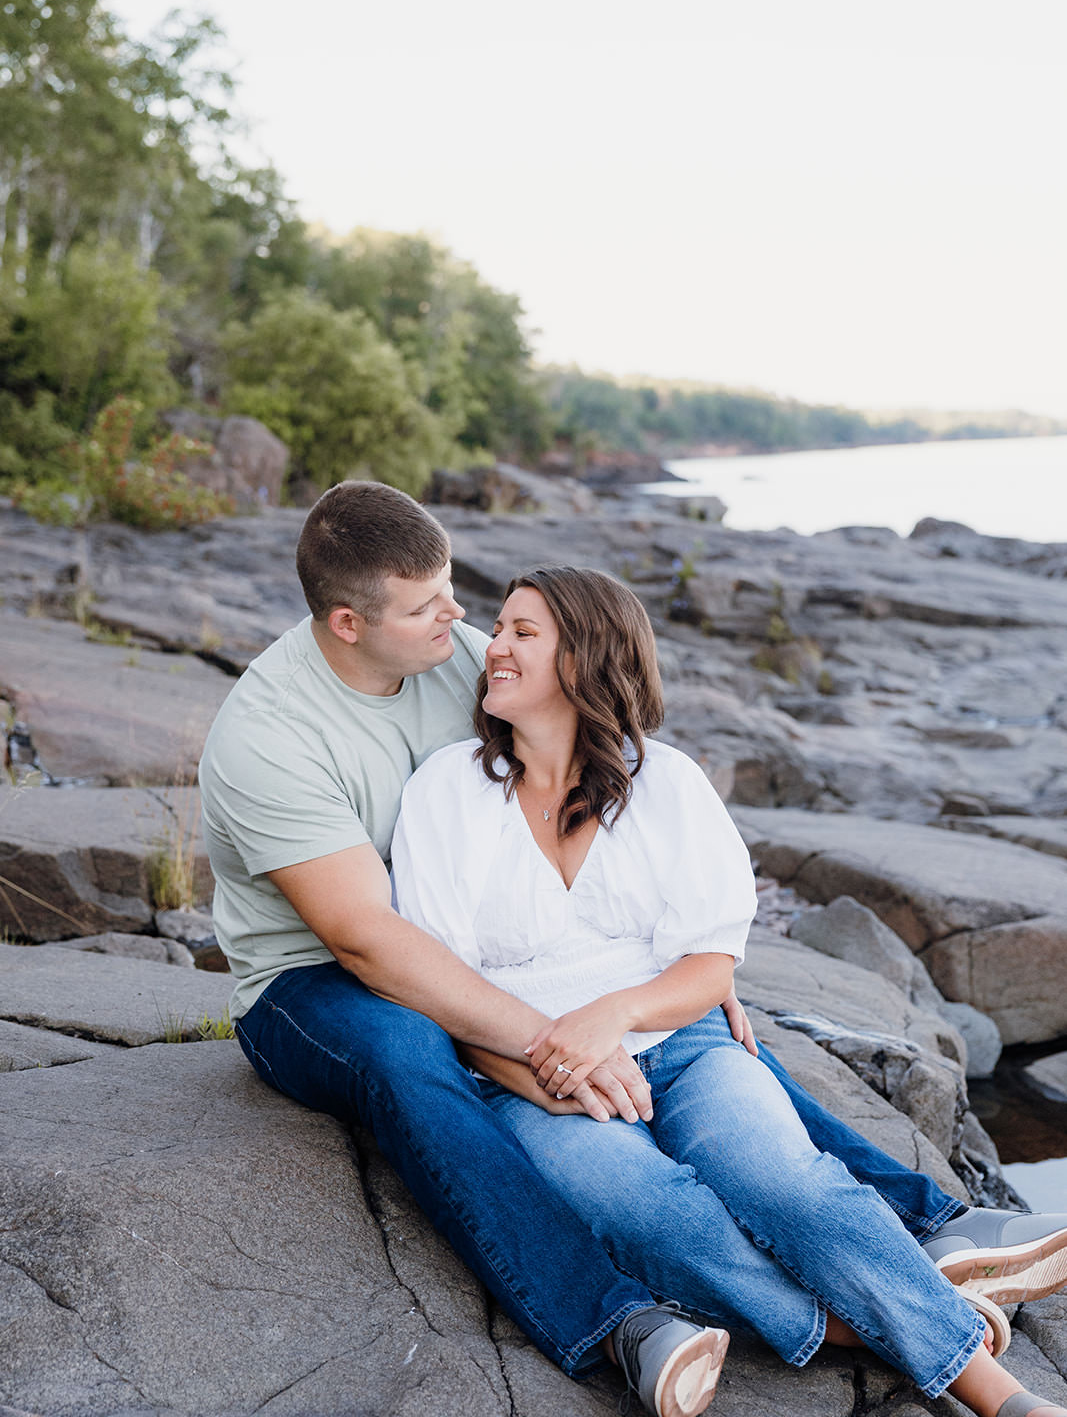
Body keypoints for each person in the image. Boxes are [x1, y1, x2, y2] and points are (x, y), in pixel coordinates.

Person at [199, 482, 1067, 1417]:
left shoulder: (471, 668)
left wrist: (685, 988)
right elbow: (374, 944)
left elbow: (669, 905)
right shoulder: (291, 740)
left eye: (486, 613)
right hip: (320, 976)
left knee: (769, 1157)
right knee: (454, 1082)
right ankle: (672, 1321)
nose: (469, 628)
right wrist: (547, 1056)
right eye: (432, 607)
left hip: (598, 1020)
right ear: (347, 623)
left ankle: (955, 1300)